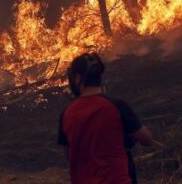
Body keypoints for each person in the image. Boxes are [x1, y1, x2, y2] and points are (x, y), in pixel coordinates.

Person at [58, 53, 153, 184]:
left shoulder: (67, 113)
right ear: (100, 76)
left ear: (77, 78)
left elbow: (69, 155)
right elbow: (147, 139)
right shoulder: (117, 106)